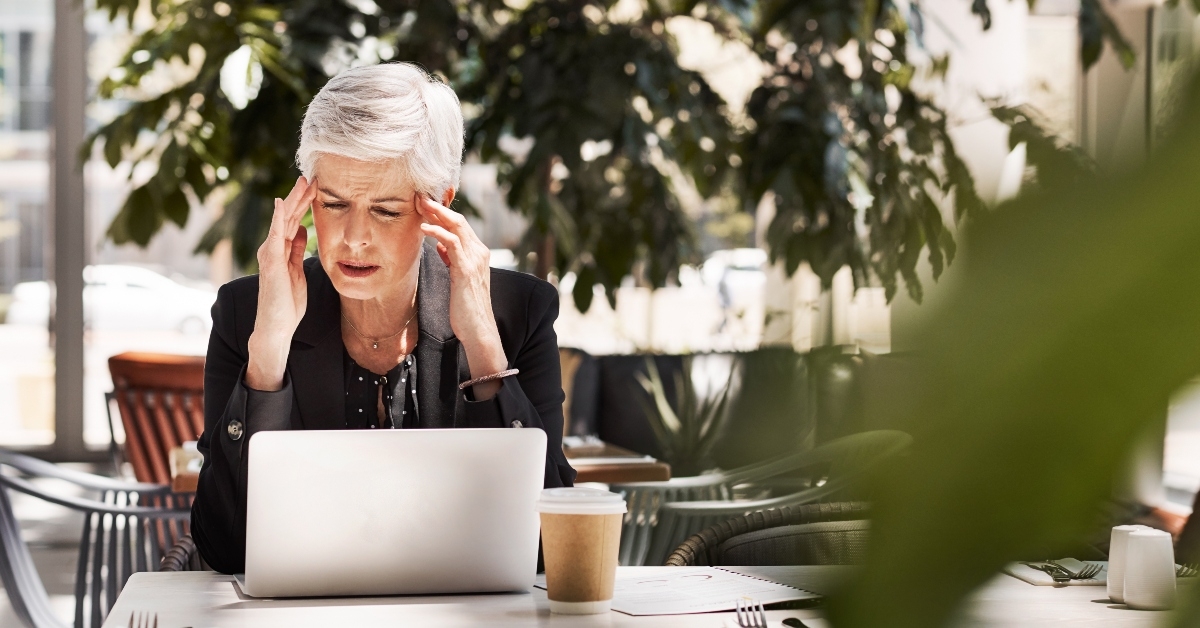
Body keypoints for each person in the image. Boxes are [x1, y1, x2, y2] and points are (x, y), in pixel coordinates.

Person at [191, 63, 576, 574]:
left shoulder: (518, 313)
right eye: (333, 203)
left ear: (439, 206)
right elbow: (222, 547)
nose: (353, 238)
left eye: (386, 211)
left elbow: (550, 547)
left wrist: (482, 342)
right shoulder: (246, 314)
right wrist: (268, 353)